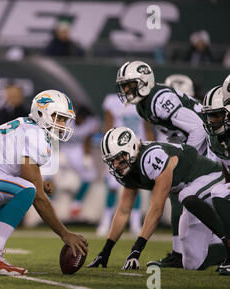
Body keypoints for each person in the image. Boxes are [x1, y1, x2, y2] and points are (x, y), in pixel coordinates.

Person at [0, 90, 88, 275]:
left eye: (65, 119)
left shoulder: (28, 127)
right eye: (59, 118)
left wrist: (39, 183)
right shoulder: (36, 134)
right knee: (26, 190)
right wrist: (65, 234)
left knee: (19, 192)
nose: (63, 124)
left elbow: (22, 169)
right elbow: (37, 196)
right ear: (43, 113)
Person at [87, 127, 230, 274]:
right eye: (112, 160)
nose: (116, 164)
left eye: (118, 158)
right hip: (191, 196)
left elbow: (156, 209)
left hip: (211, 177)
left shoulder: (152, 157)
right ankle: (221, 252)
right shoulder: (128, 168)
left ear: (132, 147)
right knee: (192, 263)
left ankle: (228, 242)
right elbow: (123, 211)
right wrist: (105, 252)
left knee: (184, 195)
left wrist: (136, 250)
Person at [114, 60, 209, 268]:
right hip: (198, 142)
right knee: (178, 195)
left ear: (144, 81)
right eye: (125, 86)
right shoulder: (142, 107)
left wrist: (188, 158)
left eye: (130, 84)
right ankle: (180, 252)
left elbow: (200, 127)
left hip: (209, 141)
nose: (127, 90)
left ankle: (198, 251)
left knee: (208, 196)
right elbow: (177, 134)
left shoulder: (159, 100)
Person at [97, 92, 156, 236]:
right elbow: (108, 126)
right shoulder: (112, 100)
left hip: (137, 148)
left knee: (134, 186)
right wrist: (107, 149)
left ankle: (135, 223)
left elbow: (147, 128)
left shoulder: (142, 101)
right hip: (116, 149)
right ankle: (106, 222)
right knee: (112, 186)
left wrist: (153, 147)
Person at [201, 83, 230, 275]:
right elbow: (225, 168)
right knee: (221, 190)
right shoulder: (215, 138)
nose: (211, 120)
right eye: (209, 115)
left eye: (216, 115)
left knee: (219, 193)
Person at [61, 105, 100, 221]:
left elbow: (88, 139)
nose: (82, 121)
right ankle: (50, 202)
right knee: (49, 175)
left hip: (77, 151)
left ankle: (76, 204)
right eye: (80, 118)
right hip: (61, 150)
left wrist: (87, 157)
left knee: (90, 175)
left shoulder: (90, 123)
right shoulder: (66, 120)